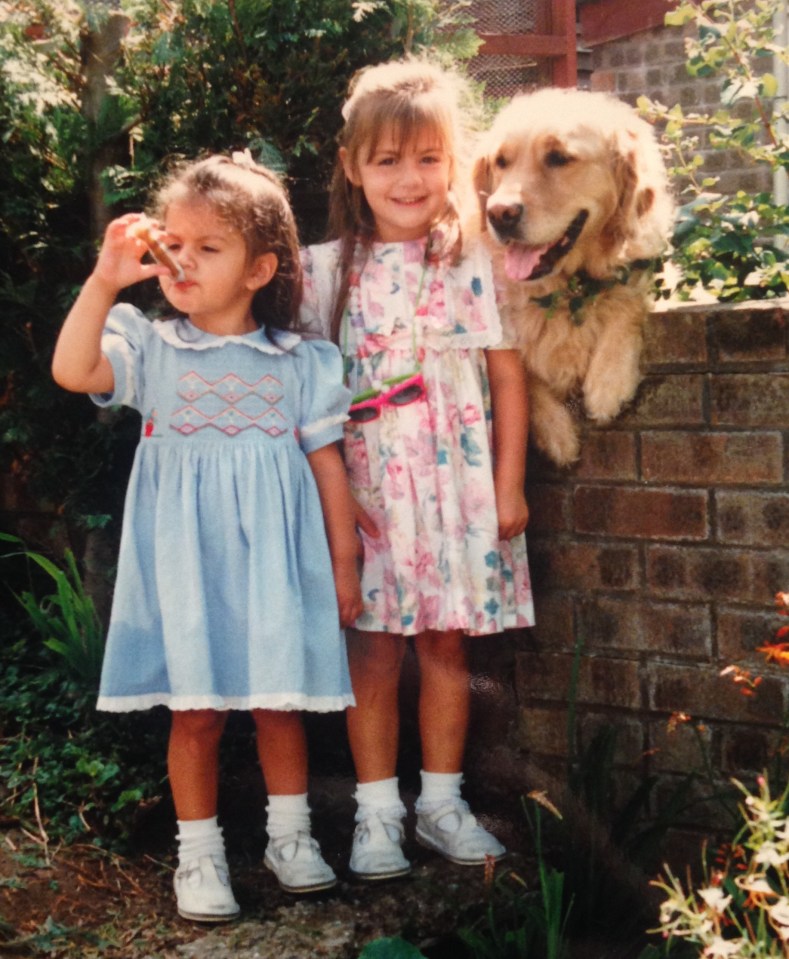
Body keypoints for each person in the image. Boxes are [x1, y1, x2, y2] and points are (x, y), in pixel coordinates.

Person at [51, 154, 362, 921]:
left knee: (277, 705)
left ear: (260, 269)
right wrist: (104, 279)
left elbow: (327, 469)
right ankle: (199, 855)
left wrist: (345, 565)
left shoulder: (299, 363)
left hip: (272, 572)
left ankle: (290, 839)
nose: (181, 260)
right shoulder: (151, 349)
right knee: (195, 714)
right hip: (187, 571)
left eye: (208, 247)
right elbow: (70, 369)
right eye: (173, 243)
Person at [299, 59, 535, 881]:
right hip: (366, 495)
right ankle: (375, 813)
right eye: (387, 160)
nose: (408, 178)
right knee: (372, 652)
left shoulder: (474, 257)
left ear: (453, 163)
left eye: (428, 158)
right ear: (352, 167)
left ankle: (440, 802)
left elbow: (507, 377)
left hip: (456, 484)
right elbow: (298, 398)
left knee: (444, 643)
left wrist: (506, 485)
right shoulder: (320, 271)